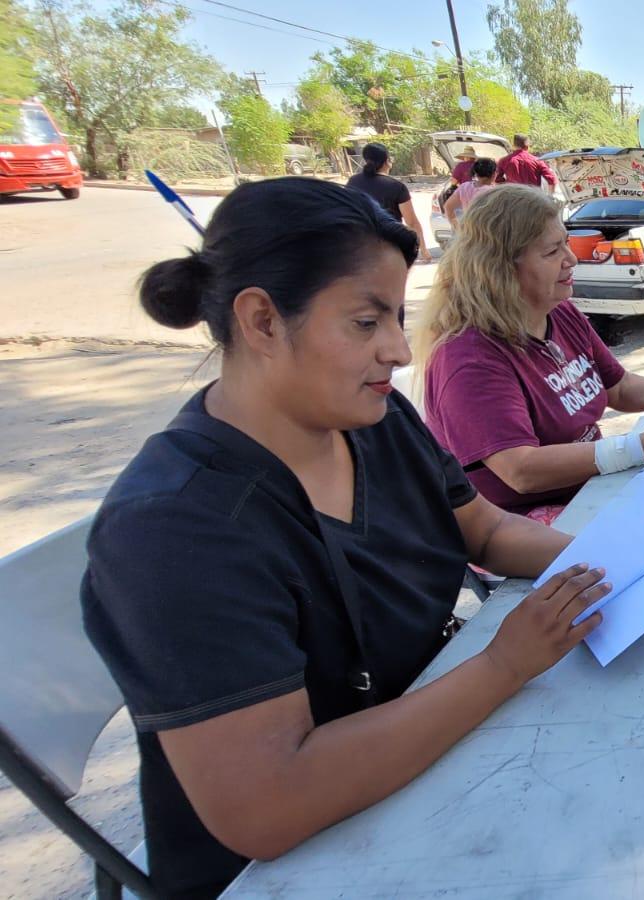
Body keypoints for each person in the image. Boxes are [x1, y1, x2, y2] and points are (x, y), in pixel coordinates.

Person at [81, 179, 611, 899]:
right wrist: (504, 664)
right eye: (366, 323)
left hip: (434, 761)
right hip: (295, 865)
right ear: (263, 322)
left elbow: (482, 527)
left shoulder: (374, 420)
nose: (399, 350)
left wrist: (612, 561)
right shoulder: (174, 529)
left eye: (397, 316)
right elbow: (269, 806)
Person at [415, 184, 644, 524]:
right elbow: (521, 470)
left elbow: (618, 388)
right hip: (514, 523)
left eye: (566, 241)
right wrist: (640, 447)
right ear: (499, 270)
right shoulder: (470, 359)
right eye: (551, 252)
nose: (571, 258)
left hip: (590, 489)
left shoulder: (558, 312)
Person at [346, 142, 428, 258]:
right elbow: (412, 222)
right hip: (390, 245)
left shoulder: (353, 181)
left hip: (361, 243)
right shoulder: (396, 186)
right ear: (387, 161)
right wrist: (423, 249)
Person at [443, 157, 497, 228]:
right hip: (486, 231)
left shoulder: (465, 186)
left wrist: (456, 227)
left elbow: (448, 207)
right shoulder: (493, 192)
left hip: (468, 229)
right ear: (493, 175)